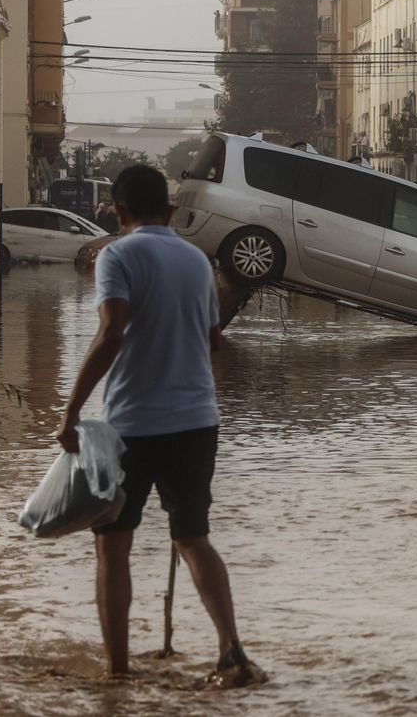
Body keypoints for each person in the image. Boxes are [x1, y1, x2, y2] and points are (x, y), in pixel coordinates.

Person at [55, 165, 265, 688]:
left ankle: (118, 674)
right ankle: (231, 651)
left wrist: (71, 410)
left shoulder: (117, 255)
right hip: (198, 421)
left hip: (133, 424)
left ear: (118, 212)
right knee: (194, 537)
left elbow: (109, 333)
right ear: (170, 211)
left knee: (112, 544)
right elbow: (214, 338)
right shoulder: (196, 260)